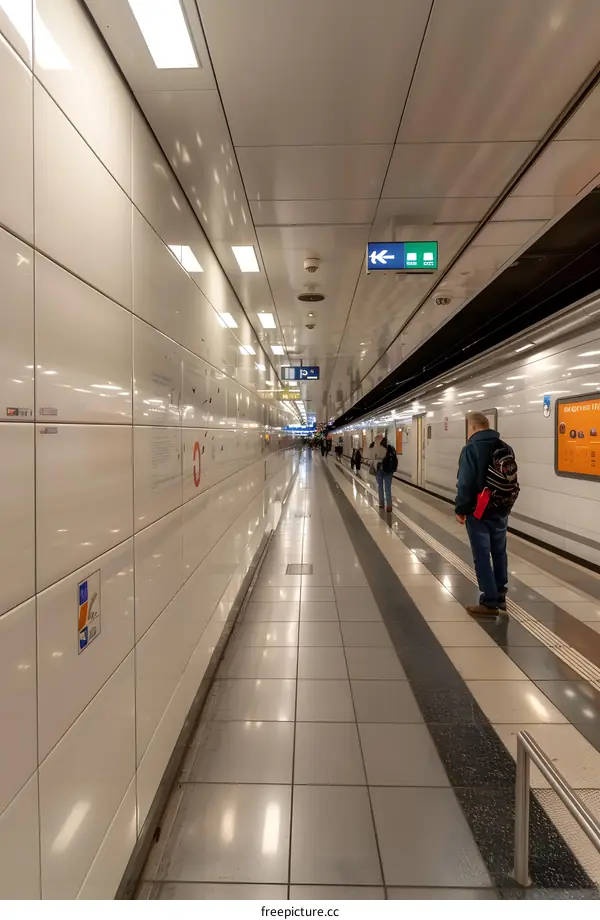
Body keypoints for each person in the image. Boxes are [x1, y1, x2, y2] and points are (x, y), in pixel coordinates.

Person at [455, 412, 519, 617]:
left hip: (479, 511)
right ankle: (500, 596)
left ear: (473, 427)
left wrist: (461, 509)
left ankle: (489, 602)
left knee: (482, 555)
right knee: (499, 552)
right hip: (501, 509)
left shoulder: (471, 448)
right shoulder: (505, 447)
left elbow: (465, 483)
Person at [369, 434, 397, 511]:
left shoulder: (375, 448)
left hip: (379, 470)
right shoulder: (390, 447)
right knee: (388, 488)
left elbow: (372, 457)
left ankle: (381, 504)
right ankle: (389, 506)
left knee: (380, 487)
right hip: (389, 471)